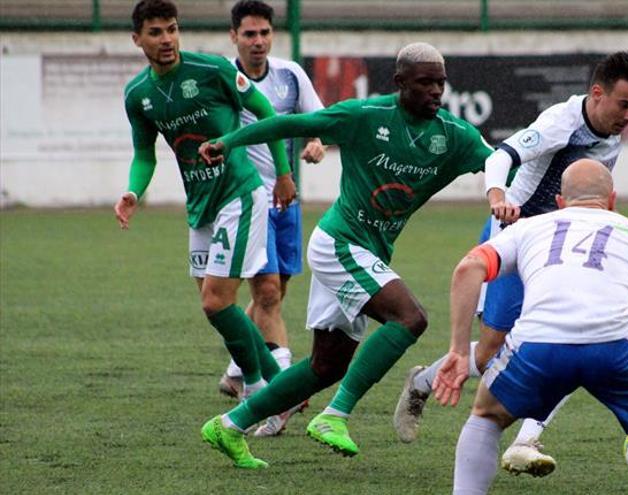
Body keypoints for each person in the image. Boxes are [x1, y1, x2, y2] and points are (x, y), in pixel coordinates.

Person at [198, 42, 495, 469]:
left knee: (326, 364)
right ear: (399, 83)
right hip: (339, 243)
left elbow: (501, 163)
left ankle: (229, 425)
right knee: (410, 318)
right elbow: (292, 123)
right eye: (425, 82)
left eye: (440, 83)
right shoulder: (365, 117)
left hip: (365, 251)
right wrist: (229, 141)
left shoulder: (454, 137)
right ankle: (334, 415)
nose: (435, 91)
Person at [394, 51, 628, 476]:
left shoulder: (611, 132)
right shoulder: (561, 122)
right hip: (515, 240)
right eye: (624, 104)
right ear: (597, 93)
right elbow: (500, 157)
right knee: (492, 351)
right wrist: (498, 197)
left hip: (562, 249)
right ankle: (422, 382)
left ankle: (527, 440)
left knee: (571, 333)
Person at [434, 159, 628, 495]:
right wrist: (618, 369)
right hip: (615, 344)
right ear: (612, 200)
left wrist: (460, 351)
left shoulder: (528, 228)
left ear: (560, 201)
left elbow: (467, 269)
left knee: (486, 417)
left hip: (538, 343)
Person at [115, 0, 295, 415]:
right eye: (156, 32)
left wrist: (283, 173)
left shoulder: (210, 69)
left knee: (216, 301)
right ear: (137, 39)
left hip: (239, 193)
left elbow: (264, 110)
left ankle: (255, 390)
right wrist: (132, 192)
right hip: (200, 206)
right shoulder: (138, 95)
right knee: (220, 309)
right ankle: (282, 389)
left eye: (172, 29)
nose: (167, 40)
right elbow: (145, 154)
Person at [215, 0, 326, 437]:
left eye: (264, 34)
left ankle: (236, 370)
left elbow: (315, 118)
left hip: (286, 198)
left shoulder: (290, 74)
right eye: (249, 35)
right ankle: (281, 390)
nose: (258, 42)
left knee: (275, 290)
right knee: (267, 296)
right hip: (246, 200)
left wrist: (315, 140)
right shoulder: (224, 78)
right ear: (234, 37)